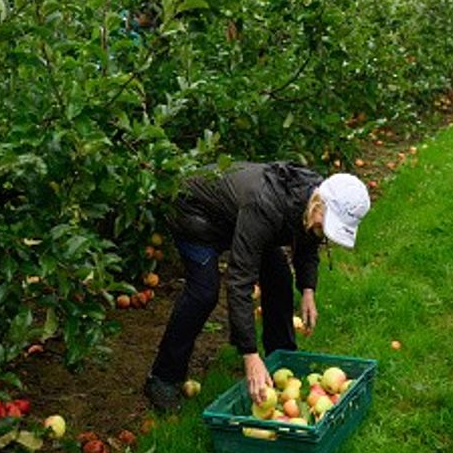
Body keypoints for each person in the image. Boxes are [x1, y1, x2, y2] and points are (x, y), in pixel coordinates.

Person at [143, 162, 371, 412]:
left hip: (237, 217)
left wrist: (308, 290)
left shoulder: (311, 196)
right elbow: (240, 280)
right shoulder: (267, 205)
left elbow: (308, 240)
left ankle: (282, 361)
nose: (323, 232)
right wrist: (249, 355)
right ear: (319, 203)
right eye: (324, 224)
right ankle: (163, 377)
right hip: (194, 213)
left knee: (279, 278)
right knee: (203, 292)